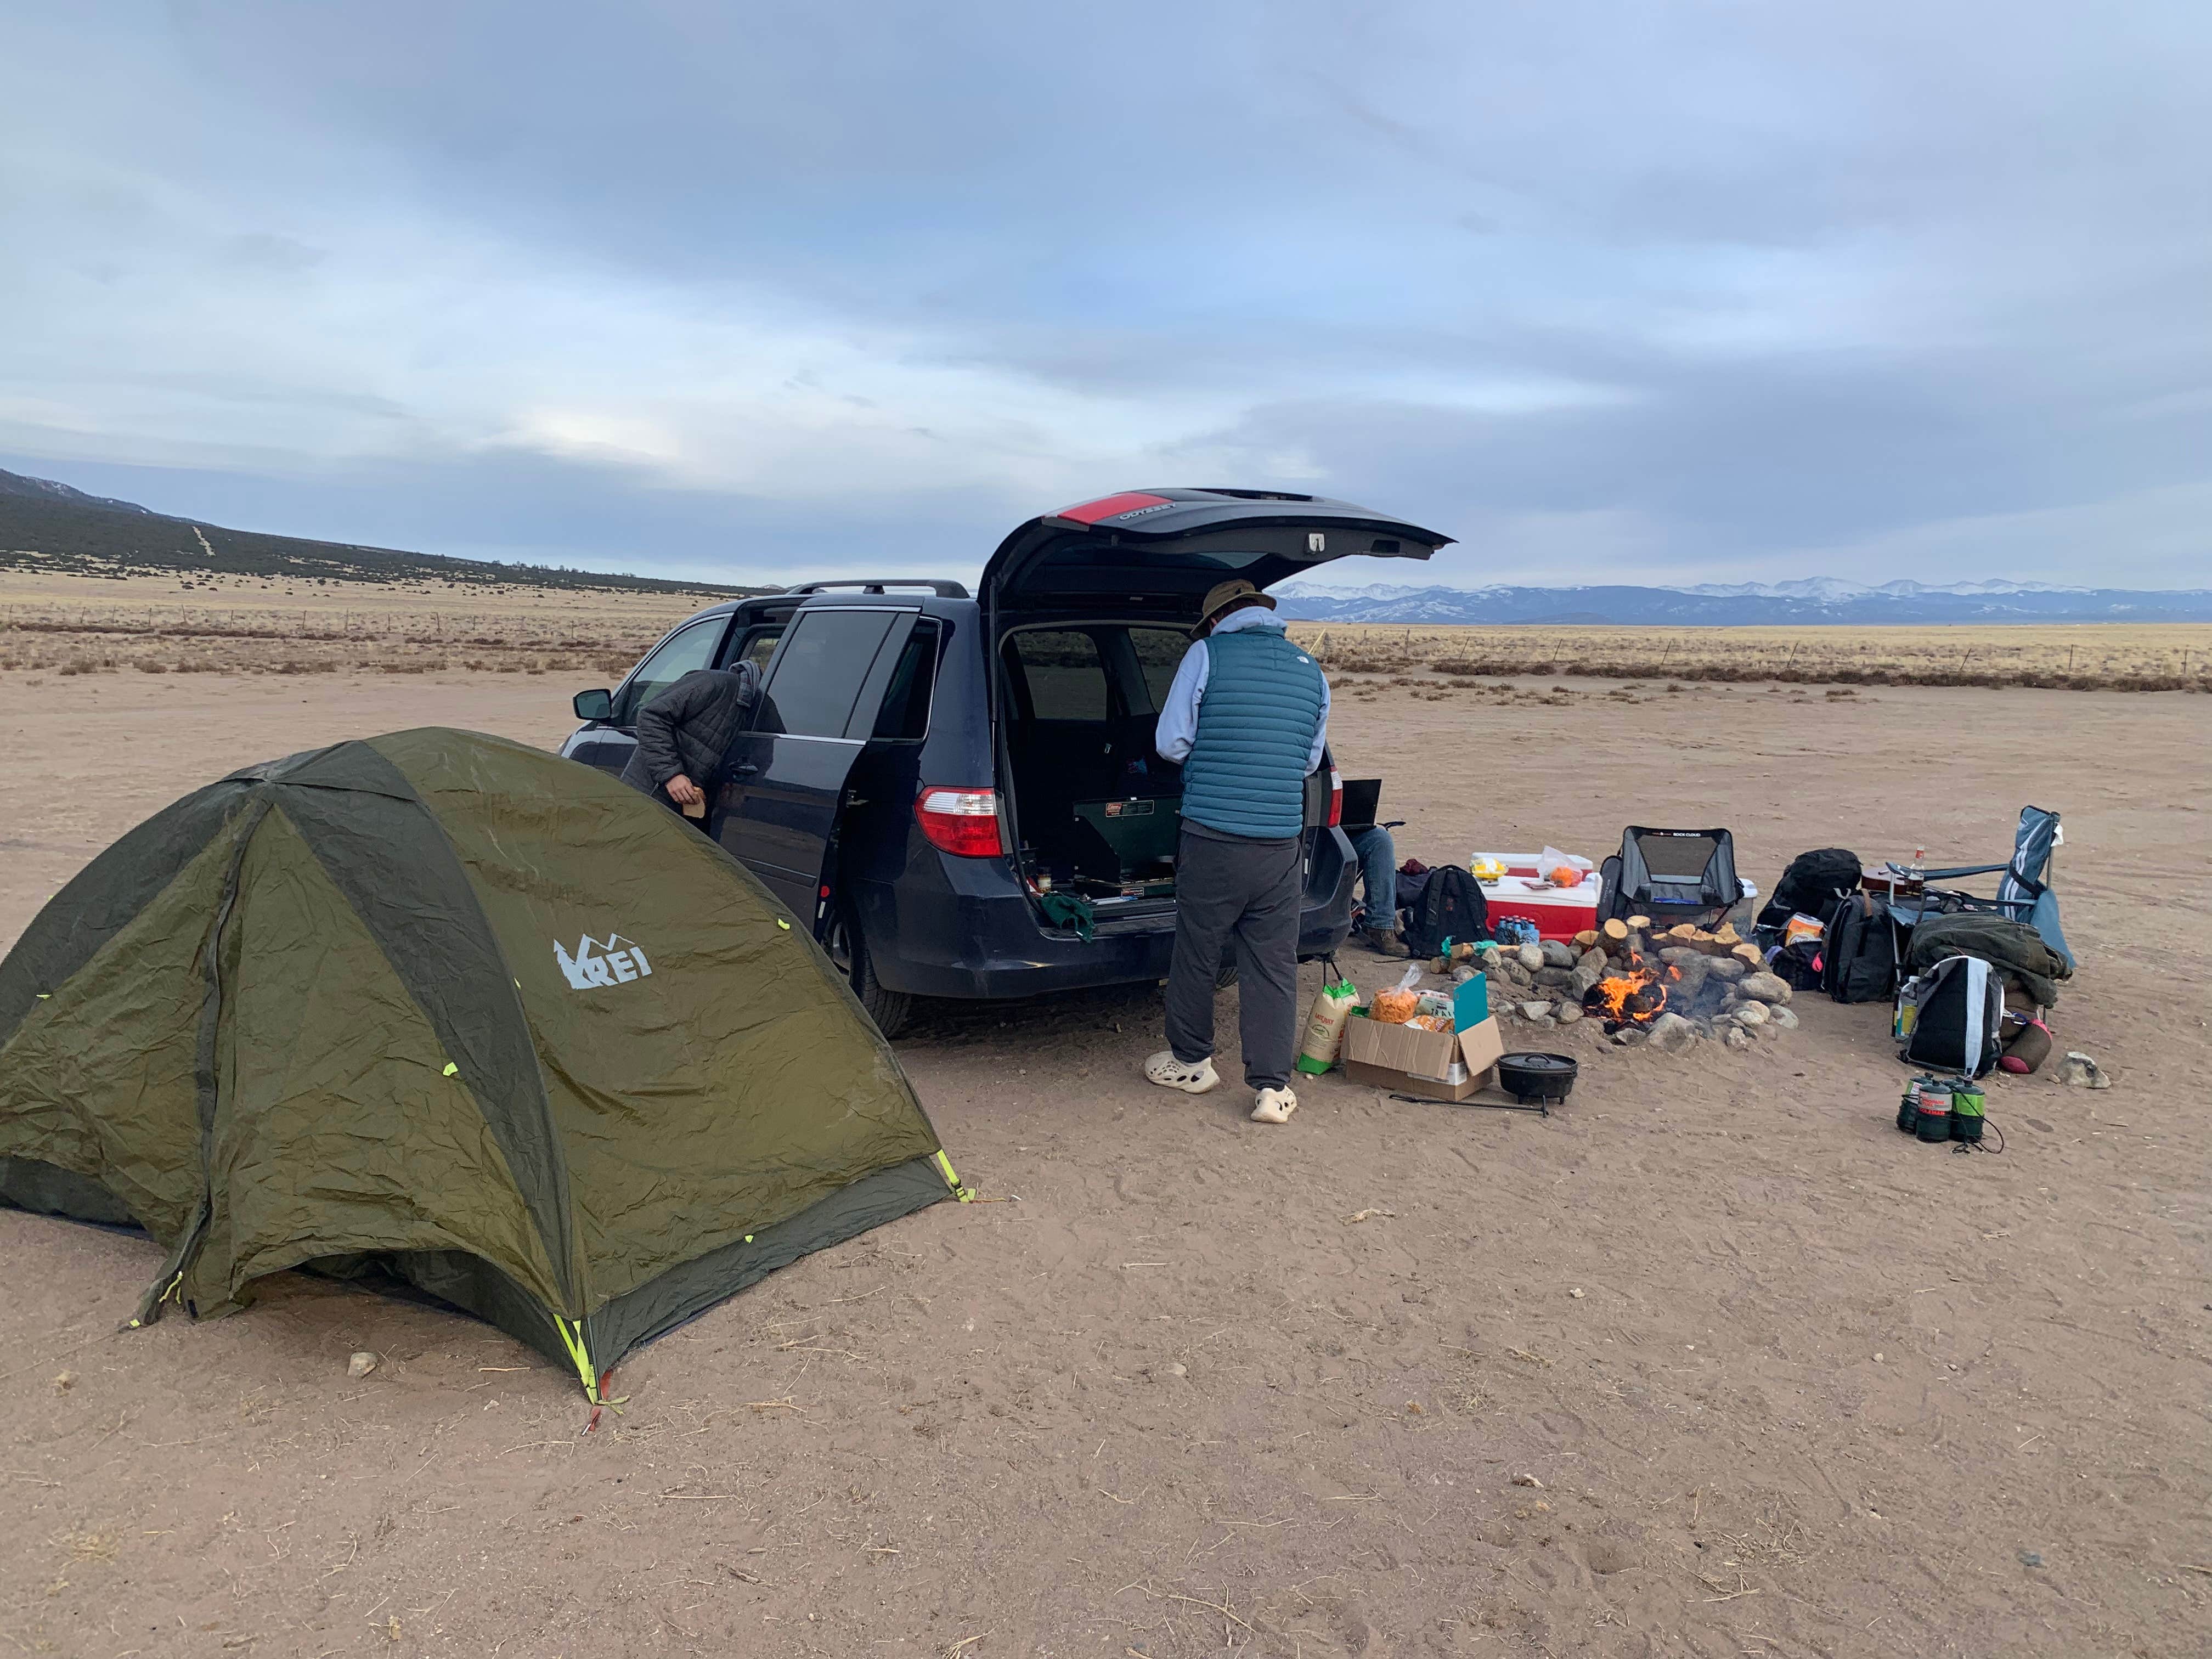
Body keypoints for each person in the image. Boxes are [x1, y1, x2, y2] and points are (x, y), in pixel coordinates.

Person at [1143, 579, 1330, 1126]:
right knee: (1273, 962)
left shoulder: (1205, 655)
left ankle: (1191, 1062)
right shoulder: (1310, 670)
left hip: (1213, 836)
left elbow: (1170, 742)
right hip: (1280, 843)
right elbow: (1307, 761)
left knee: (1199, 949)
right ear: (1263, 613)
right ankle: (1272, 1089)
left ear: (1217, 619)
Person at [618, 658, 763, 817]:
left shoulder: (766, 708)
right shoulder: (713, 683)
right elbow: (651, 716)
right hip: (652, 794)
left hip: (698, 811)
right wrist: (671, 775)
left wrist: (735, 789)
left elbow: (762, 760)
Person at [1347, 823, 1401, 952]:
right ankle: (1324, 932)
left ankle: (1380, 926)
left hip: (1341, 832)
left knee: (1380, 839)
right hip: (1304, 833)